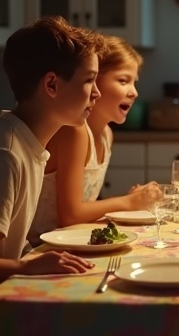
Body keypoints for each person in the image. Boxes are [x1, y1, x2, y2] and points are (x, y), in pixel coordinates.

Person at [0, 15, 106, 280]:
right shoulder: (7, 153)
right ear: (51, 85)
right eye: (88, 80)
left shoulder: (28, 143)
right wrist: (25, 267)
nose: (97, 93)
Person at [28, 35, 159, 246]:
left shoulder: (107, 134)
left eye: (134, 82)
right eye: (123, 80)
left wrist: (131, 201)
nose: (134, 92)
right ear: (93, 81)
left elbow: (85, 208)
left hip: (69, 242)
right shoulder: (74, 131)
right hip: (39, 248)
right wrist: (128, 202)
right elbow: (70, 215)